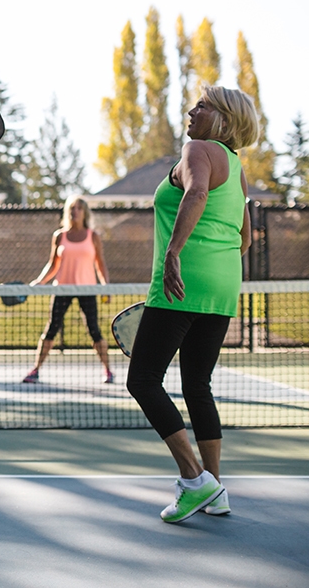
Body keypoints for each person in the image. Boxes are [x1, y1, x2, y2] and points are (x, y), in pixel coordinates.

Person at [126, 86, 257, 523]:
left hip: (182, 282)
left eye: (201, 105)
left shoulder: (197, 148)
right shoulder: (237, 168)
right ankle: (215, 491)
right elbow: (246, 237)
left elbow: (196, 193)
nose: (191, 110)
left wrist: (175, 254)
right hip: (222, 287)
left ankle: (194, 478)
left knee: (143, 380)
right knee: (198, 386)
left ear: (221, 117)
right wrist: (211, 263)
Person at [23, 195, 113, 384]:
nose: (75, 211)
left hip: (87, 290)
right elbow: (52, 265)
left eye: (79, 208)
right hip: (62, 289)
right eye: (72, 208)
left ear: (85, 212)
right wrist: (39, 281)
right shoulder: (59, 236)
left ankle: (108, 370)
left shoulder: (93, 236)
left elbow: (101, 264)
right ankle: (35, 370)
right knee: (51, 329)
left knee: (94, 330)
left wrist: (106, 286)